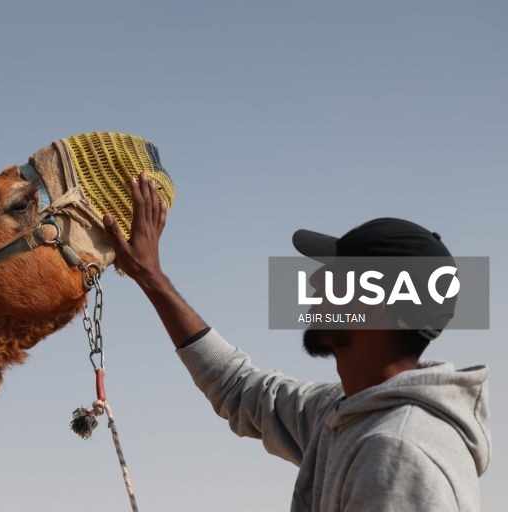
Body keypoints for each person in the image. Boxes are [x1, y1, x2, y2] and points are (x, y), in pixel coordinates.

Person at [102, 174, 491, 511]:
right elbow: (239, 387)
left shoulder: (396, 451)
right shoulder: (345, 412)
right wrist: (151, 277)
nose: (317, 283)